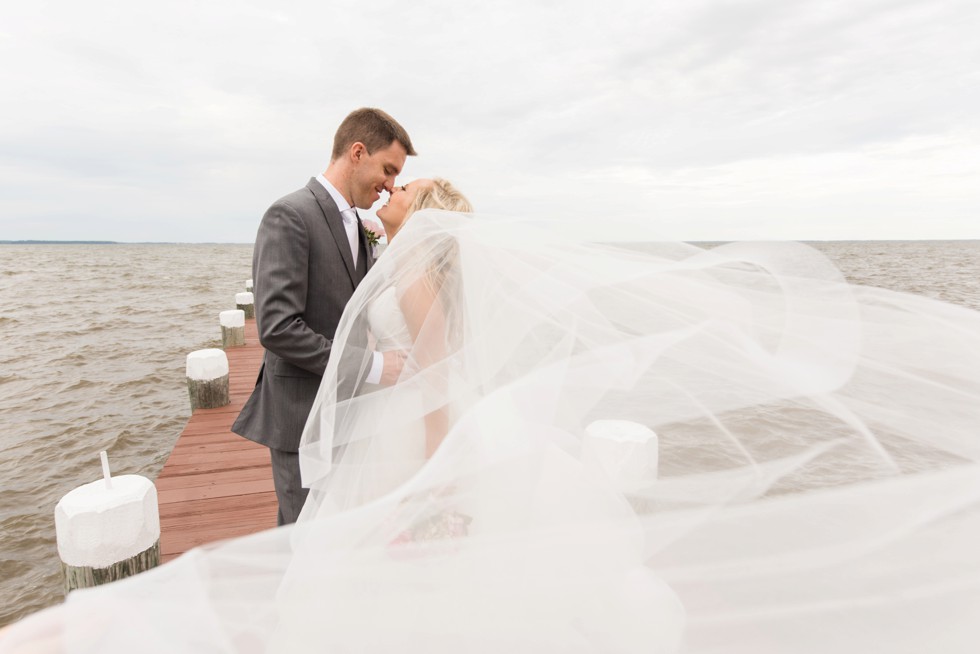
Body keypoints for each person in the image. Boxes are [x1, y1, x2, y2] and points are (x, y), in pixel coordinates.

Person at [4, 197, 980, 652]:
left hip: (425, 455)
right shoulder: (444, 278)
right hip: (446, 445)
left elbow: (434, 393)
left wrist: (437, 498)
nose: (384, 212)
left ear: (422, 229)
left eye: (399, 204)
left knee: (403, 594)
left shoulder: (422, 280)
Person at [232, 107, 416, 525]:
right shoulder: (291, 214)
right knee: (302, 535)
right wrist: (374, 366)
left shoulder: (361, 227)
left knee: (339, 530)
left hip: (351, 411)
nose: (389, 187)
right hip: (301, 415)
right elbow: (278, 327)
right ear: (356, 152)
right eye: (387, 170)